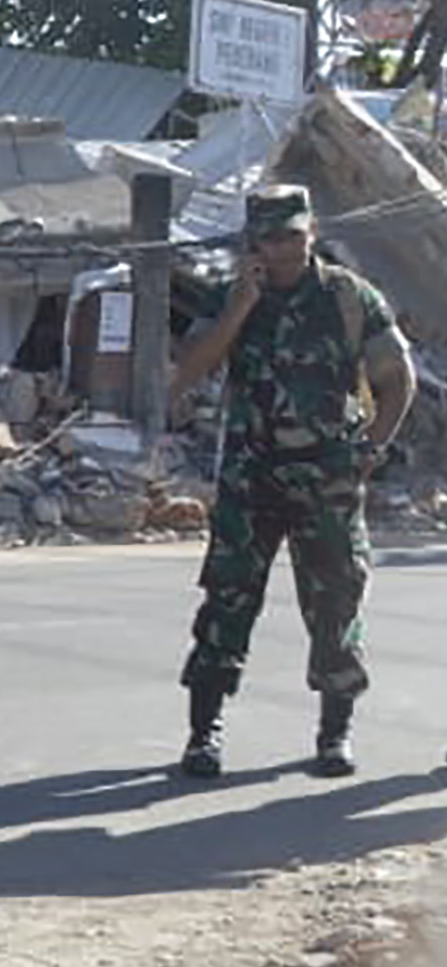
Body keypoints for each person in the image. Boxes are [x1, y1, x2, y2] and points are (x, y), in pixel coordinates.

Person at [168, 184, 414, 780]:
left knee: (335, 603)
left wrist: (374, 445)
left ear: (313, 233)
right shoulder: (232, 296)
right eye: (270, 238)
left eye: (293, 236)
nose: (283, 249)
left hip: (327, 481)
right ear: (253, 241)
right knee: (227, 601)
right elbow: (186, 373)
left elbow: (396, 376)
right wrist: (239, 309)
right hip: (250, 478)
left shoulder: (349, 297)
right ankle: (205, 733)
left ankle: (334, 734)